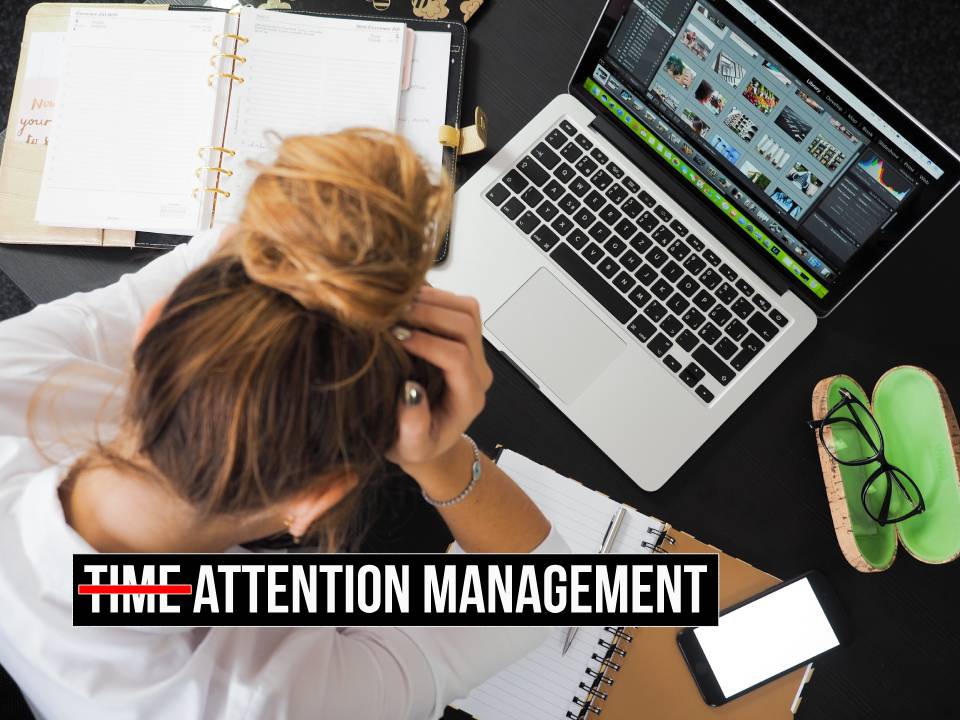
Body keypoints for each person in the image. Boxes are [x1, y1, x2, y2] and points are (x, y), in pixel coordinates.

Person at [0, 129, 568, 719]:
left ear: (147, 334)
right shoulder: (268, 703)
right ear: (313, 501)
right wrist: (442, 457)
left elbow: (224, 253)